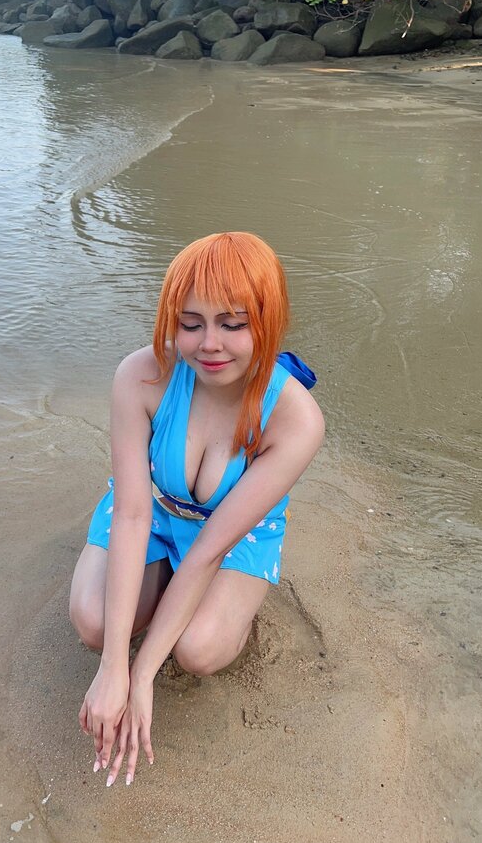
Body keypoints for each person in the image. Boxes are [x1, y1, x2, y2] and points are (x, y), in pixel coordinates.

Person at [69, 231, 325, 787]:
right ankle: (155, 586)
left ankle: (214, 610)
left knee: (198, 650)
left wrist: (142, 674)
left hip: (231, 536)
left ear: (268, 321)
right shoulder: (141, 375)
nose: (210, 344)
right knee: (94, 621)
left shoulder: (296, 419)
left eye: (233, 324)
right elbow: (133, 514)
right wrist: (113, 666)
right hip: (152, 509)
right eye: (190, 324)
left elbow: (210, 550)